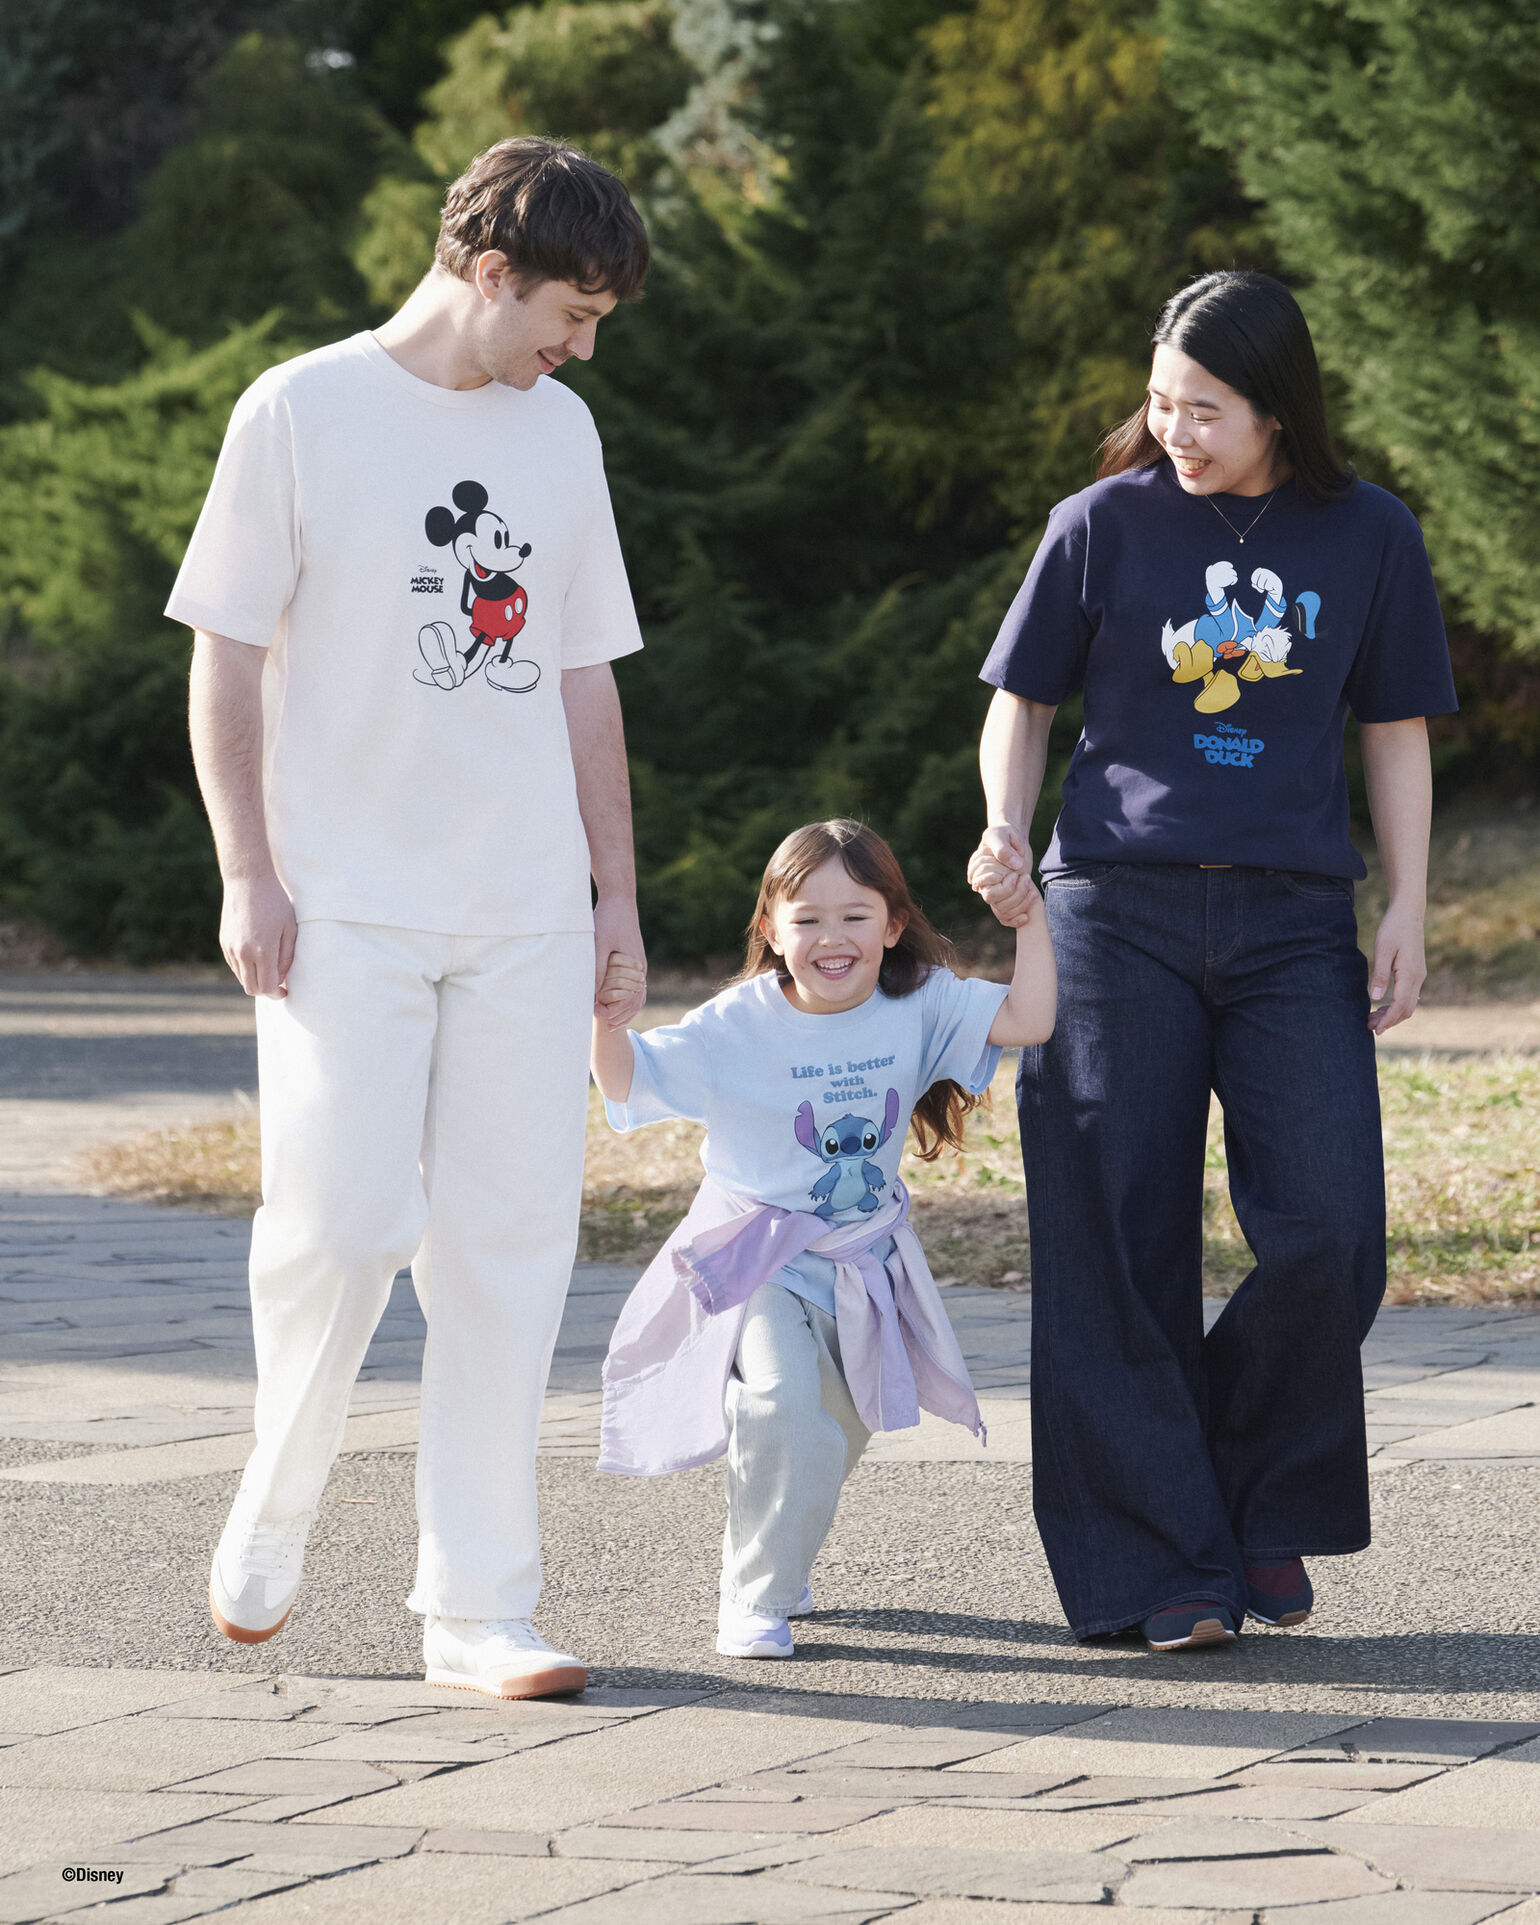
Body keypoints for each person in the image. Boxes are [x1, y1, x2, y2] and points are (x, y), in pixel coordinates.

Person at [171, 137, 651, 1699]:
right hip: (343, 903)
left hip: (519, 907)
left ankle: (479, 1606)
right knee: (342, 1222)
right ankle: (280, 1490)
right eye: (570, 312)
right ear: (490, 270)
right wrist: (249, 868)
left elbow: (584, 678)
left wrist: (614, 900)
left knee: (510, 1249)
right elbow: (228, 655)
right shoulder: (299, 409)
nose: (581, 348)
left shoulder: (564, 434)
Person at [969, 270, 1456, 1653]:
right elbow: (1023, 701)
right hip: (1109, 911)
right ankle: (1157, 1572)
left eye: (1208, 409)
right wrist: (1005, 831)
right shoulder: (1100, 525)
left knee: (1332, 1233)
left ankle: (1241, 1497)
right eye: (1163, 402)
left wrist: (1409, 903)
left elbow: (1397, 728)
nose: (1176, 429)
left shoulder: (1368, 533)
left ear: (1277, 405)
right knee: (1111, 1237)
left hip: (1294, 919)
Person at [590, 819, 1056, 1659]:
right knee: (783, 1403)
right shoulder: (738, 1022)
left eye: (855, 915)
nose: (831, 938)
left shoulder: (921, 1003)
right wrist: (606, 1016)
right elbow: (627, 1081)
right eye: (806, 919)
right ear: (770, 927)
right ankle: (753, 1596)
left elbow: (1029, 1017)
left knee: (840, 1430)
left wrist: (1028, 919)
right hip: (759, 1257)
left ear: (893, 924)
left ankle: (778, 1543)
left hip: (863, 1260)